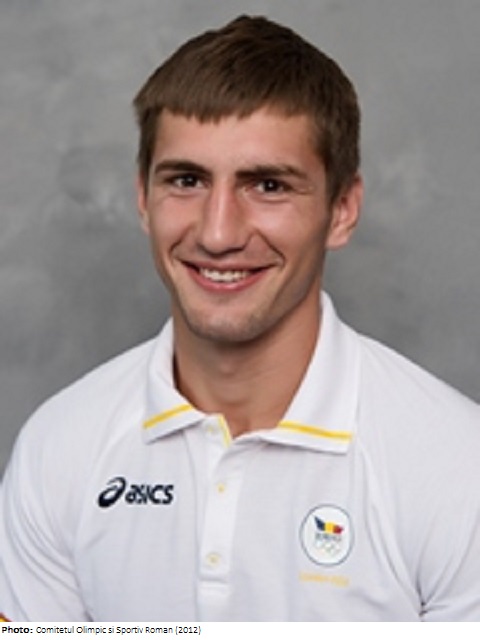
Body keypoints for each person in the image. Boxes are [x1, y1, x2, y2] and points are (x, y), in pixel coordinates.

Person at [1, 15, 480, 623]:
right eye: (186, 180)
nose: (218, 232)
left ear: (341, 210)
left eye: (268, 185)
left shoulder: (457, 466)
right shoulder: (59, 447)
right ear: (144, 199)